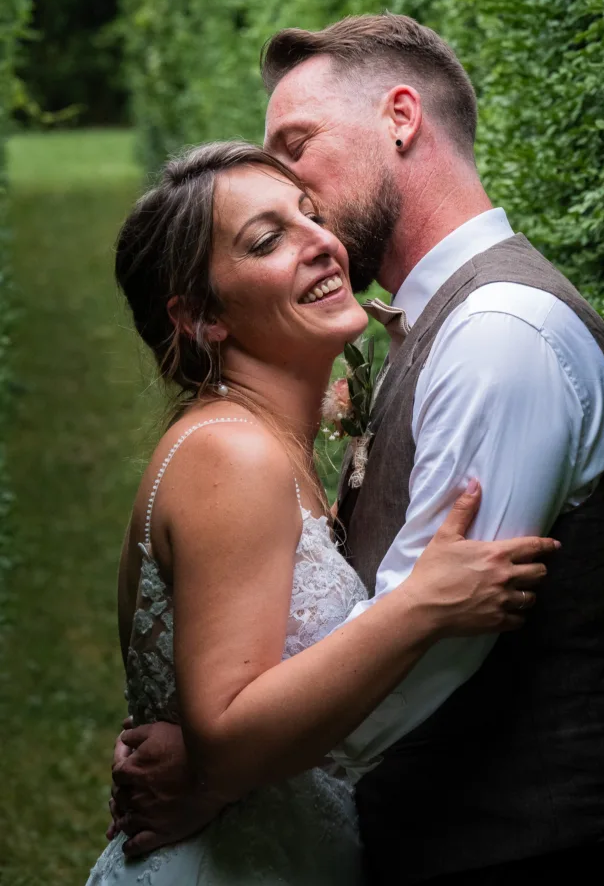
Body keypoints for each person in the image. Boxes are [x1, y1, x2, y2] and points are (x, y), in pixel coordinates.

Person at [108, 15, 604, 885]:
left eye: (297, 150)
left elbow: (432, 652)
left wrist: (223, 774)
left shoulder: (498, 332)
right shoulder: (418, 331)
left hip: (524, 853)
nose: (304, 202)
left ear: (400, 118)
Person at [88, 140, 555, 885]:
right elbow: (229, 742)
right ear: (202, 317)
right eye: (268, 240)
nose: (320, 244)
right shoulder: (230, 457)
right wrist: (421, 605)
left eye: (311, 215)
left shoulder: (269, 447)